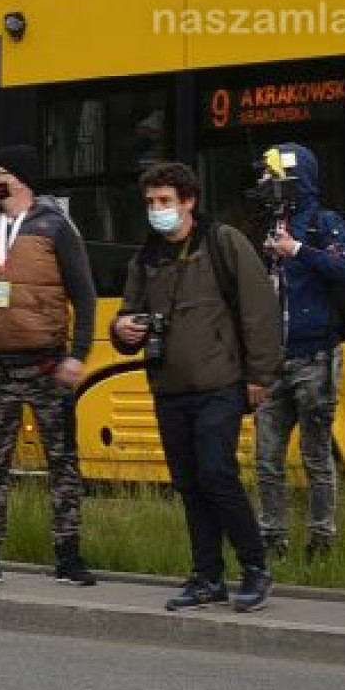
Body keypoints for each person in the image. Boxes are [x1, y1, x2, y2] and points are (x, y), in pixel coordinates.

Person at [111, 162, 281, 612]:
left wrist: (259, 375)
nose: (156, 209)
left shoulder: (223, 242)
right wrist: (122, 329)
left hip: (219, 382)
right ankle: (207, 577)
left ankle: (255, 566)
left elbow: (260, 309)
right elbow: (128, 317)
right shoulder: (146, 258)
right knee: (188, 483)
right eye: (150, 202)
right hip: (169, 387)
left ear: (188, 201)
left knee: (215, 473)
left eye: (165, 201)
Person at [0, 145, 98, 590]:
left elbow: (84, 296)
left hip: (47, 363)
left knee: (62, 461)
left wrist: (78, 354)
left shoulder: (55, 226)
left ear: (19, 179)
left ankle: (69, 555)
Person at [253, 144, 345, 562]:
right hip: (273, 359)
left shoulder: (324, 222)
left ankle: (321, 542)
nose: (265, 184)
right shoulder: (268, 226)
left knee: (315, 455)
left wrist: (296, 249)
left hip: (316, 357)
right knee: (266, 458)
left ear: (295, 180)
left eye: (272, 177)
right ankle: (271, 541)